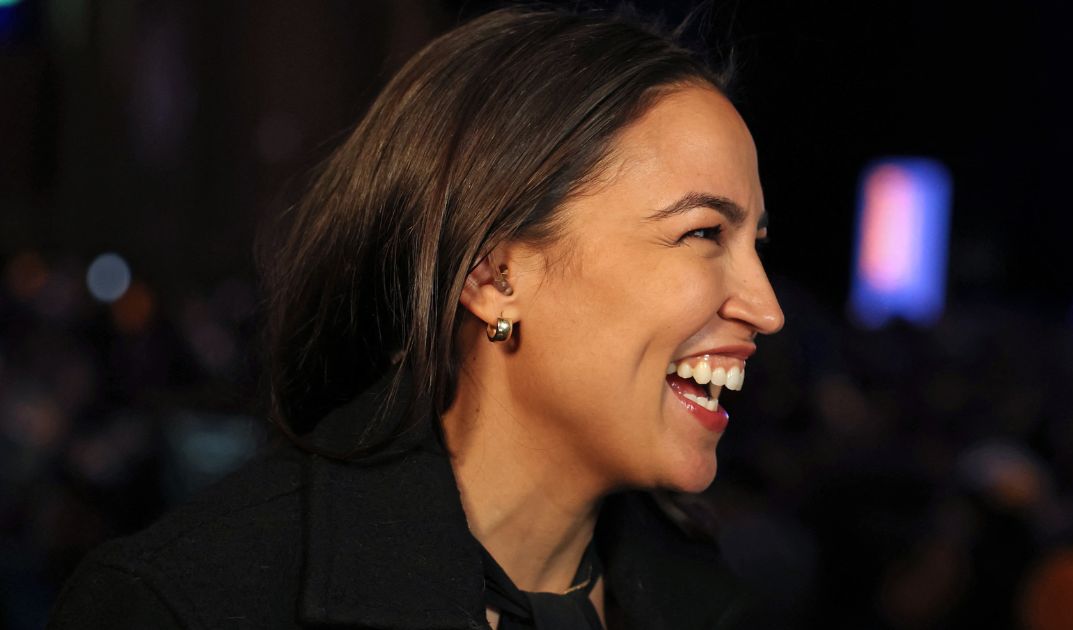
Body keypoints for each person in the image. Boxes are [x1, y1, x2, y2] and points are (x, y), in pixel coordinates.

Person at [48, 6, 783, 629]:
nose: (767, 309)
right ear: (495, 276)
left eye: (754, 243)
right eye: (703, 234)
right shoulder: (186, 601)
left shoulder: (713, 601)